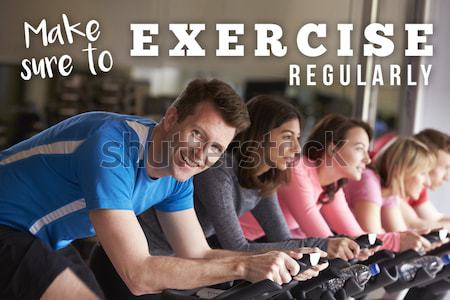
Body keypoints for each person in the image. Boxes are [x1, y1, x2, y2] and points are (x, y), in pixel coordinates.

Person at [0, 79, 316, 300]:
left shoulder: (176, 177)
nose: (201, 154)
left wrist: (276, 260)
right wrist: (245, 265)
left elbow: (198, 253)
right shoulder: (113, 146)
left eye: (216, 148)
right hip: (8, 226)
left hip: (42, 238)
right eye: (197, 134)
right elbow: (139, 275)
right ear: (171, 117)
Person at [140, 96, 366, 265]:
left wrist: (321, 249)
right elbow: (237, 246)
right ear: (261, 134)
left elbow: (282, 238)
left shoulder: (264, 180)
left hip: (173, 256)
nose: (297, 149)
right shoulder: (220, 170)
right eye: (287, 138)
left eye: (297, 139)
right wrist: (323, 245)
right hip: (143, 249)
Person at [240, 114, 427, 253]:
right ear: (332, 148)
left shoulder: (332, 187)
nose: (367, 160)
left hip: (258, 246)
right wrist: (394, 242)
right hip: (234, 243)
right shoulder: (297, 169)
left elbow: (356, 234)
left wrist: (400, 239)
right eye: (359, 149)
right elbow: (324, 238)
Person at [343, 137, 437, 244]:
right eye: (422, 173)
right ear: (400, 170)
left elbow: (400, 233)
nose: (428, 183)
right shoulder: (369, 181)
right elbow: (373, 240)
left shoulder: (389, 193)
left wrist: (421, 240)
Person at [399, 129, 450, 230]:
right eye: (445, 167)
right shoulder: (391, 187)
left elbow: (435, 220)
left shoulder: (418, 187)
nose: (447, 177)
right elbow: (416, 225)